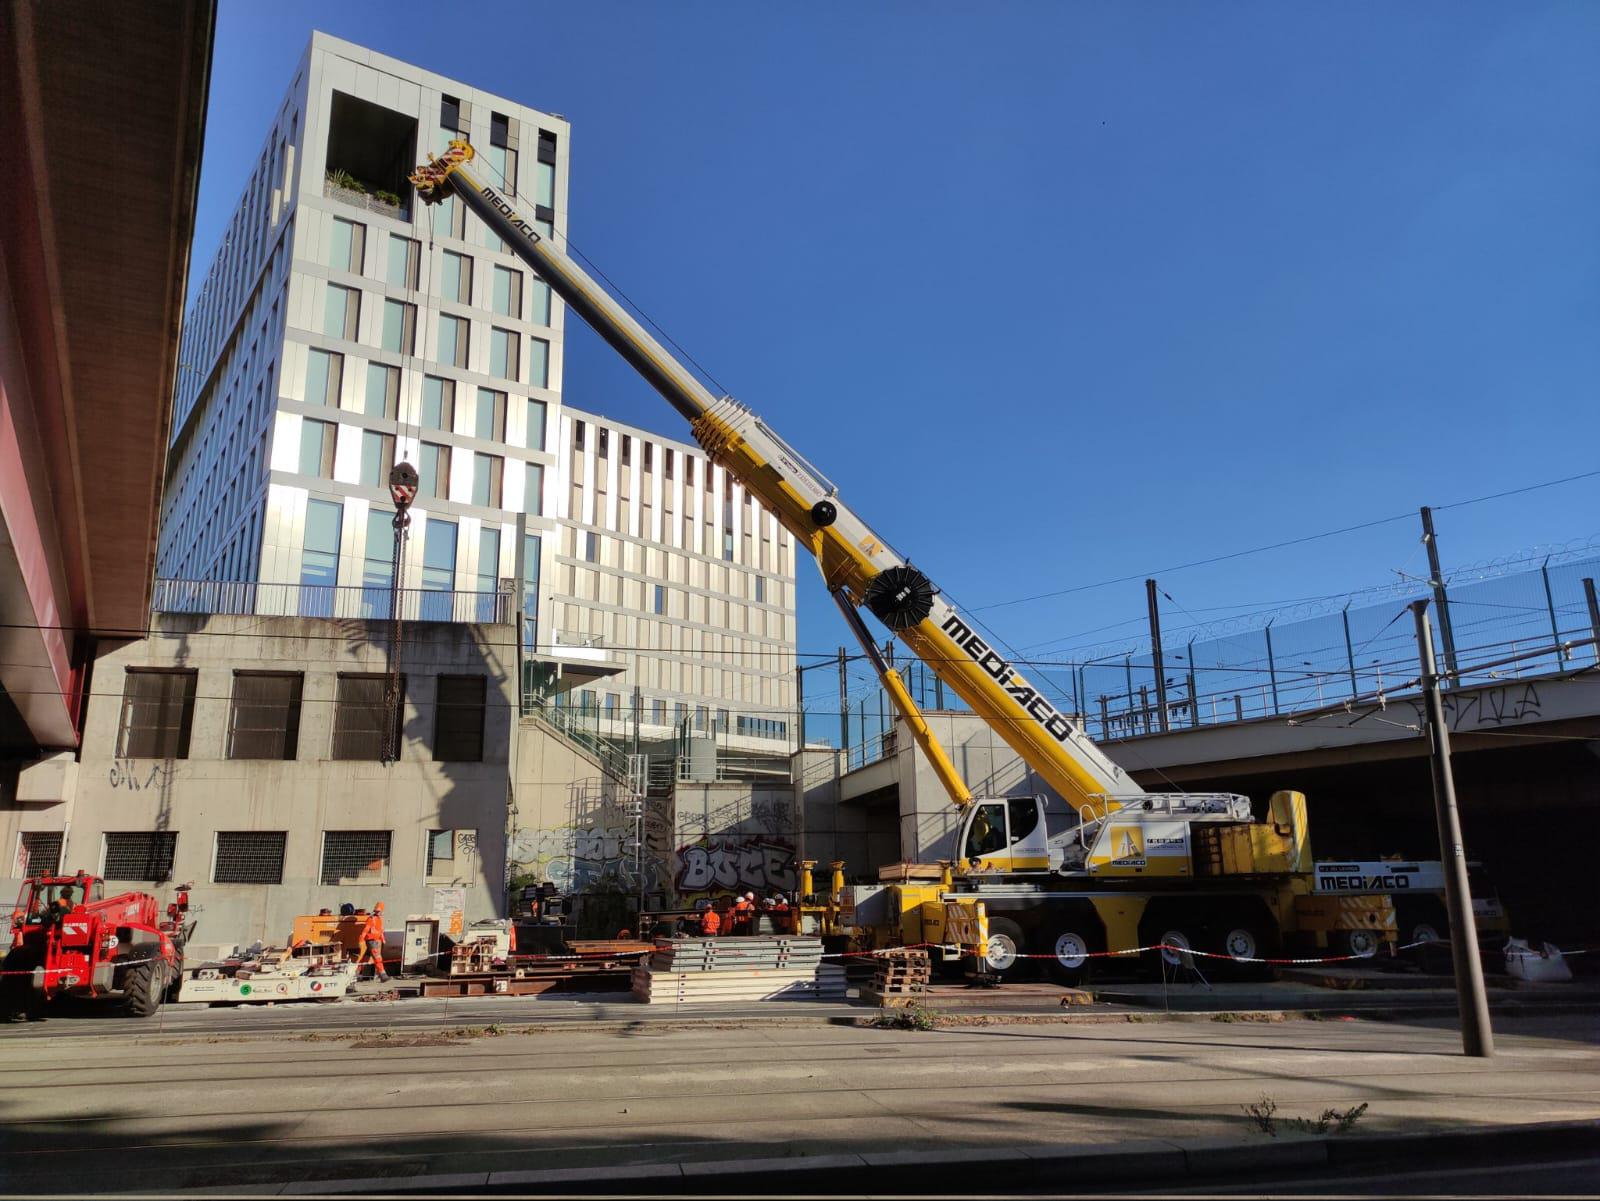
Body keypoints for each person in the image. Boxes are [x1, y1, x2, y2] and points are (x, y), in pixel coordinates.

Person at [358, 902, 390, 982]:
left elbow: (380, 930)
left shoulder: (379, 919)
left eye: (380, 911)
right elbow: (366, 930)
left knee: (365, 958)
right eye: (378, 911)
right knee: (377, 958)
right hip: (371, 941)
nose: (379, 912)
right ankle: (383, 975)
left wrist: (383, 939)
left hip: (375, 941)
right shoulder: (371, 919)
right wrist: (361, 940)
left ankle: (357, 973)